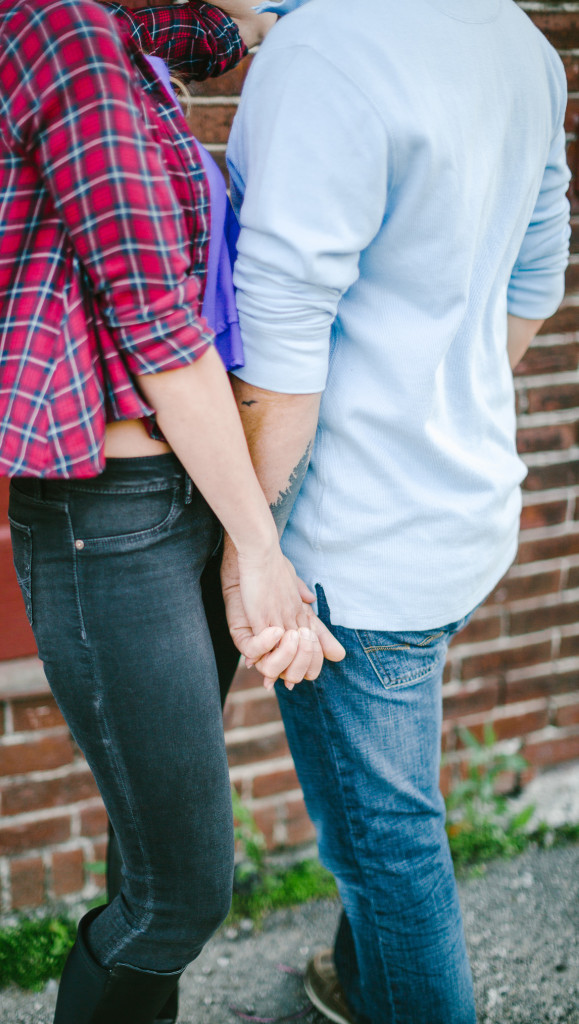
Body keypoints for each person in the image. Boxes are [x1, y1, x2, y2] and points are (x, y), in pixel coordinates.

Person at [0, 2, 343, 1022]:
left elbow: (210, 32)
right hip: (118, 518)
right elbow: (157, 327)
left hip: (180, 491)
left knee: (148, 863)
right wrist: (258, 546)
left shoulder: (90, 24)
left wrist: (271, 23)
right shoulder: (49, 27)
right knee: (181, 894)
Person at [225, 0, 571, 1021]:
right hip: (461, 509)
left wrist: (248, 538)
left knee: (387, 846)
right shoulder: (518, 41)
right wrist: (437, 407)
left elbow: (282, 344)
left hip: (354, 549)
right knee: (388, 807)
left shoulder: (324, 49)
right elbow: (536, 278)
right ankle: (358, 981)